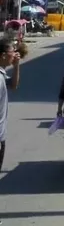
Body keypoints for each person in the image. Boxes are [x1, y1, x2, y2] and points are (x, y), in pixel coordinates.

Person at [0, 35, 21, 173]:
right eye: (12, 52)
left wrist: (16, 66)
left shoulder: (2, 74)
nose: (15, 54)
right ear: (2, 55)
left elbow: (13, 85)